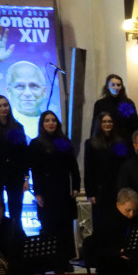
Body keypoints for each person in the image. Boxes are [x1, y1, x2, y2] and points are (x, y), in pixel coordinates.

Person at [28, 110, 80, 262]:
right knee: (49, 224)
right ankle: (50, 260)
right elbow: (35, 170)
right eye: (47, 120)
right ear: (42, 124)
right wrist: (37, 193)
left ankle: (65, 259)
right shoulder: (36, 144)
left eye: (53, 120)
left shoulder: (65, 142)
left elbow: (73, 167)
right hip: (46, 190)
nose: (51, 123)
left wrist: (76, 186)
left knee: (65, 225)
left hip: (63, 188)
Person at [0, 95, 30, 222]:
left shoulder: (17, 126)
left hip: (15, 173)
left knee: (16, 208)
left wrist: (26, 177)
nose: (3, 108)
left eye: (5, 105)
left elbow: (23, 152)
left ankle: (16, 231)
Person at [89, 74, 138, 140]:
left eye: (118, 85)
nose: (116, 87)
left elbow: (135, 124)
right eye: (113, 85)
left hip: (125, 140)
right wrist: (92, 141)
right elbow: (95, 125)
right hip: (106, 140)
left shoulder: (128, 103)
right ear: (107, 87)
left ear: (122, 87)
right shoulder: (100, 104)